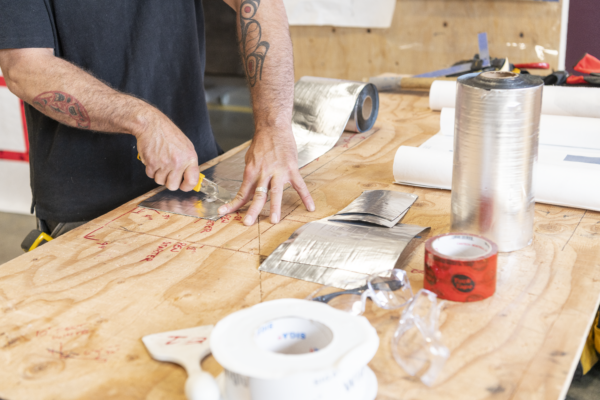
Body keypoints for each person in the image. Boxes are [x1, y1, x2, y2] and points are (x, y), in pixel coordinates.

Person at [0, 0, 315, 240]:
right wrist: (142, 120)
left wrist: (274, 127)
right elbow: (24, 68)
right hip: (89, 209)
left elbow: (260, 4)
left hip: (201, 180)